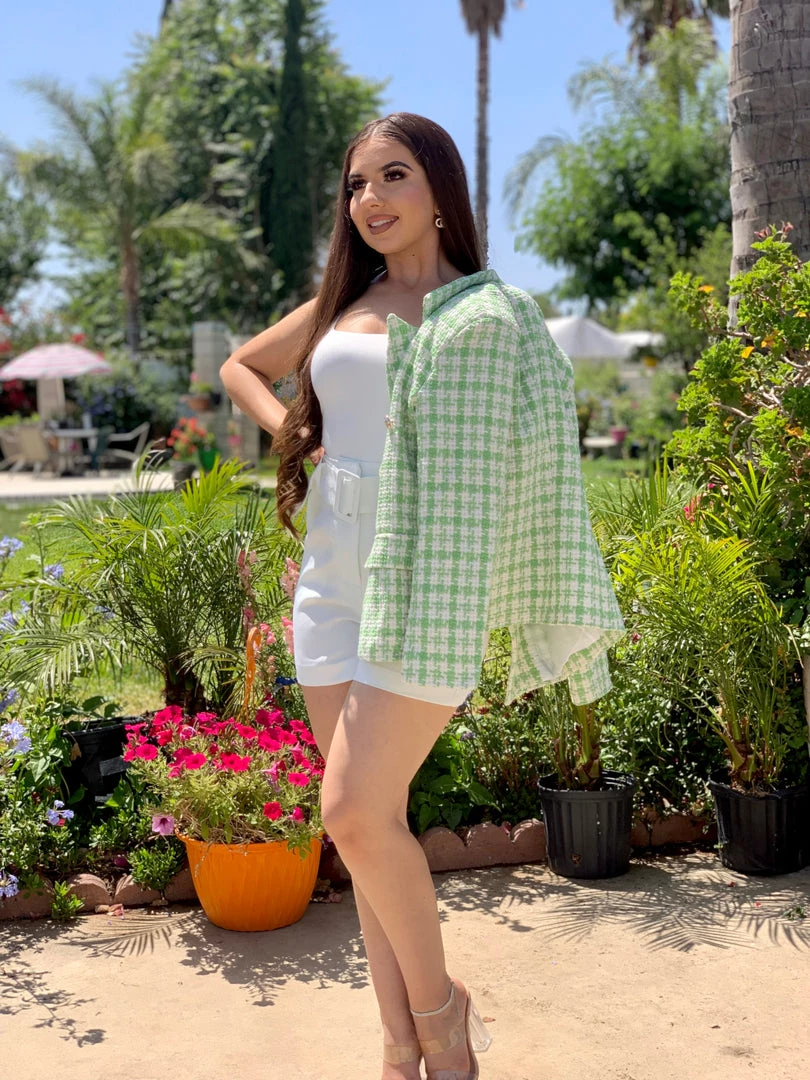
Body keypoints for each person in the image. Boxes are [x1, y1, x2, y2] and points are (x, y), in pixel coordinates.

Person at [221, 112, 625, 1080]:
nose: (371, 199)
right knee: (369, 831)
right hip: (330, 580)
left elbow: (531, 446)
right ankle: (400, 1047)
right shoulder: (343, 302)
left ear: (440, 188)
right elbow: (241, 366)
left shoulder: (485, 314)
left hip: (425, 582)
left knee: (355, 810)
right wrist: (296, 433)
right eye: (357, 185)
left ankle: (444, 1021)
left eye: (393, 175)